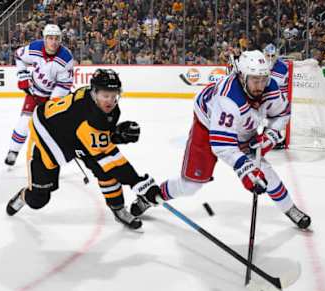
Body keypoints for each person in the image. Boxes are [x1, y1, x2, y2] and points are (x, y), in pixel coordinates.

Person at [131, 50, 311, 229]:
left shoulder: (270, 87)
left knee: (266, 173)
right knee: (191, 185)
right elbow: (223, 145)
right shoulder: (228, 99)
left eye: (263, 79)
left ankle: (290, 208)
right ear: (241, 77)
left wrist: (271, 135)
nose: (260, 85)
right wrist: (246, 170)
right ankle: (151, 196)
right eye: (255, 80)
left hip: (242, 128)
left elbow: (282, 114)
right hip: (207, 125)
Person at [6, 69, 162, 230]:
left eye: (114, 95)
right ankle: (24, 196)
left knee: (104, 171)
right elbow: (110, 156)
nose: (110, 101)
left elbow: (98, 138)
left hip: (75, 135)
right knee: (38, 200)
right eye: (105, 95)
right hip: (46, 137)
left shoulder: (103, 107)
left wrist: (114, 135)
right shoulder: (88, 115)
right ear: (94, 93)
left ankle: (118, 209)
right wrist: (138, 182)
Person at [4, 24, 74, 166]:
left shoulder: (66, 58)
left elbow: (64, 85)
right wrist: (23, 76)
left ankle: (53, 155)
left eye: (56, 38)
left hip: (52, 96)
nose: (53, 42)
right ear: (44, 38)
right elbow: (18, 55)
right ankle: (13, 150)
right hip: (34, 92)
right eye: (50, 38)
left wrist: (52, 102)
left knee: (52, 128)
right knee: (24, 122)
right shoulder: (34, 48)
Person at [263, 43, 290, 149]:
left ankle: (276, 136)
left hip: (279, 99)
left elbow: (278, 84)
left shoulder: (282, 67)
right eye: (268, 55)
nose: (270, 58)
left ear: (276, 55)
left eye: (272, 56)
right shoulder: (260, 64)